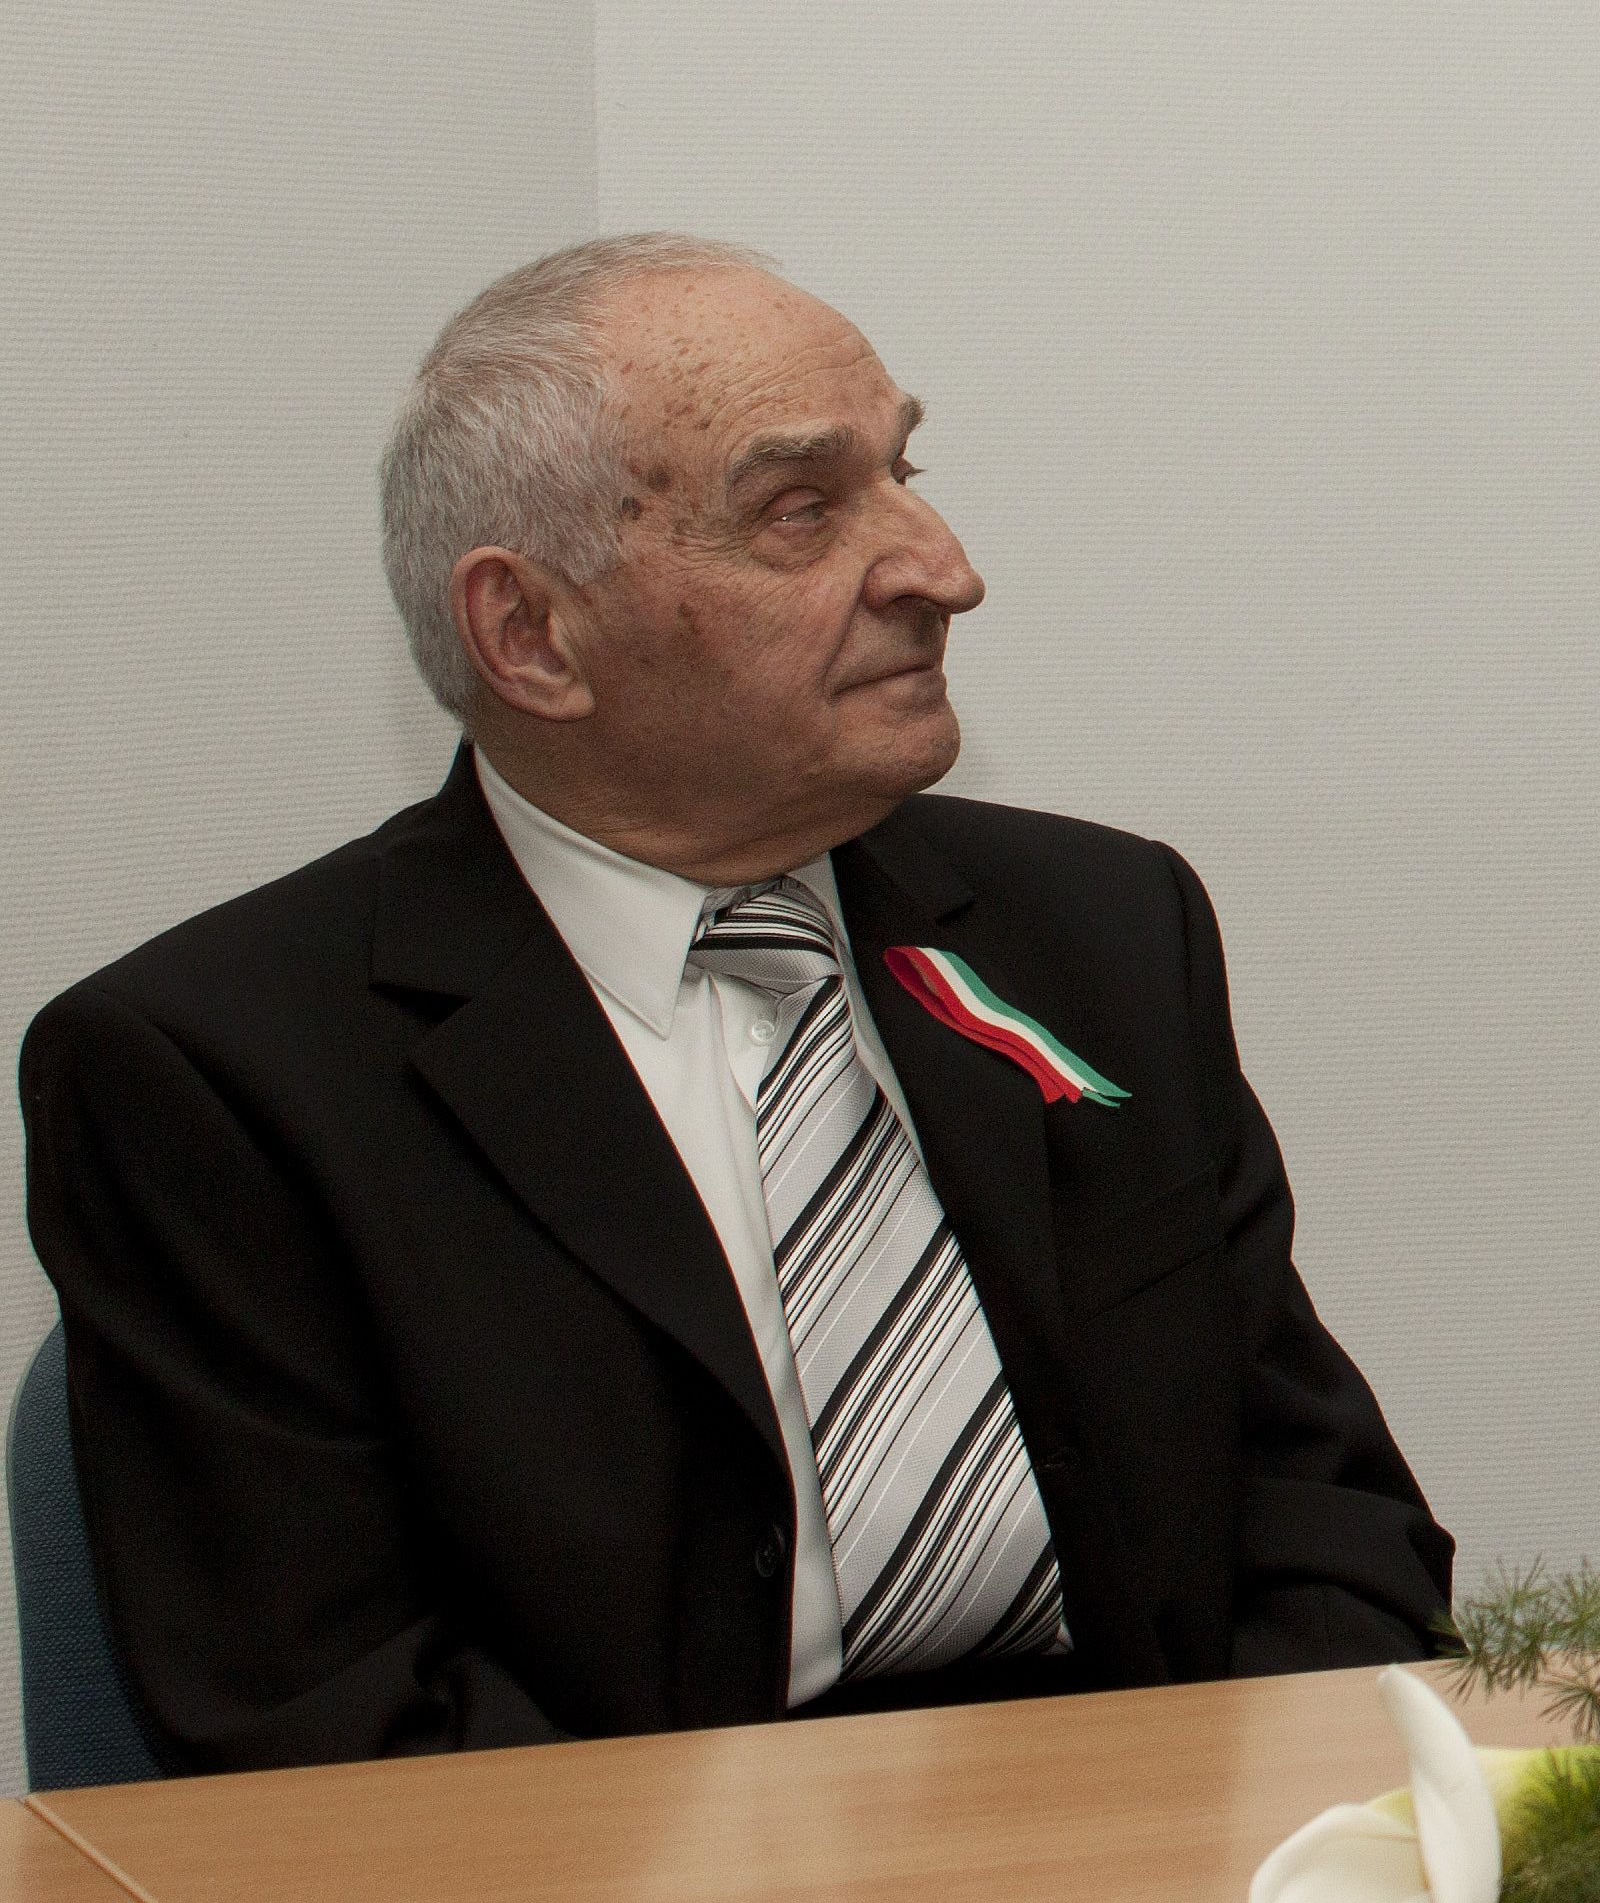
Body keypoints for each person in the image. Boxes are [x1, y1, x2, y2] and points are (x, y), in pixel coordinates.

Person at [24, 235, 1453, 1769]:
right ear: (531, 634)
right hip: (612, 1851)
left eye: (903, 472)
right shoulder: (218, 1074)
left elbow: (1321, 1518)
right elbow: (333, 1726)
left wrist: (1265, 1832)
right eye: (800, 510)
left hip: (1158, 1814)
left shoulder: (1101, 929)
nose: (943, 570)